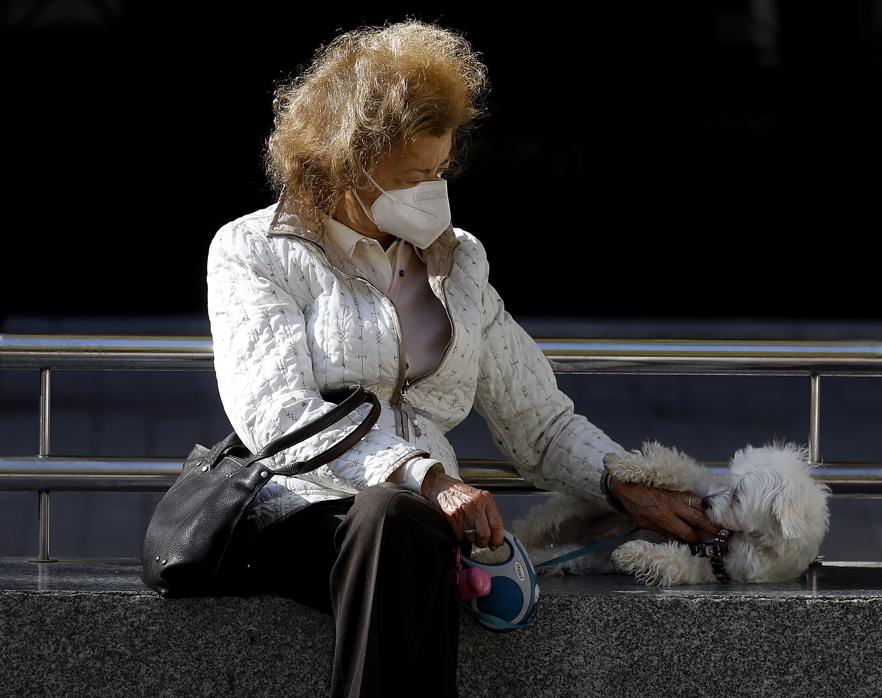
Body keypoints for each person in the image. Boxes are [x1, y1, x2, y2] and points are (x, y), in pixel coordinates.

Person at [205, 18, 720, 698]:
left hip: (416, 534)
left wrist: (625, 483)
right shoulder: (254, 250)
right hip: (302, 516)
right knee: (392, 521)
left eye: (440, 169)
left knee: (404, 536)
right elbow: (275, 415)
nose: (432, 190)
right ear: (345, 164)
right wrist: (423, 477)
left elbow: (535, 417)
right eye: (413, 174)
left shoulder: (459, 259)